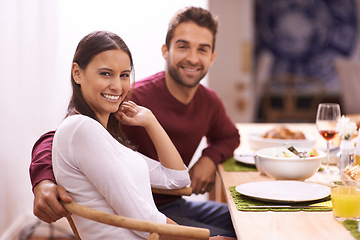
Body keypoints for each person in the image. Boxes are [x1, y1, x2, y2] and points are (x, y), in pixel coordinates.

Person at [30, 7, 240, 238]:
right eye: (183, 46)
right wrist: (43, 179)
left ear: (212, 57)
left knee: (242, 217)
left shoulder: (208, 101)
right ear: (165, 51)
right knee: (242, 233)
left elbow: (229, 137)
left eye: (202, 49)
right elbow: (61, 136)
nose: (192, 57)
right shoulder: (128, 98)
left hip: (173, 198)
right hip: (143, 210)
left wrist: (209, 159)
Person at [48, 30, 195, 239]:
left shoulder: (104, 136)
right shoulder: (80, 129)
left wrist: (150, 121)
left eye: (124, 75)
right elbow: (143, 221)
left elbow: (177, 179)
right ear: (77, 73)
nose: (117, 86)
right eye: (106, 73)